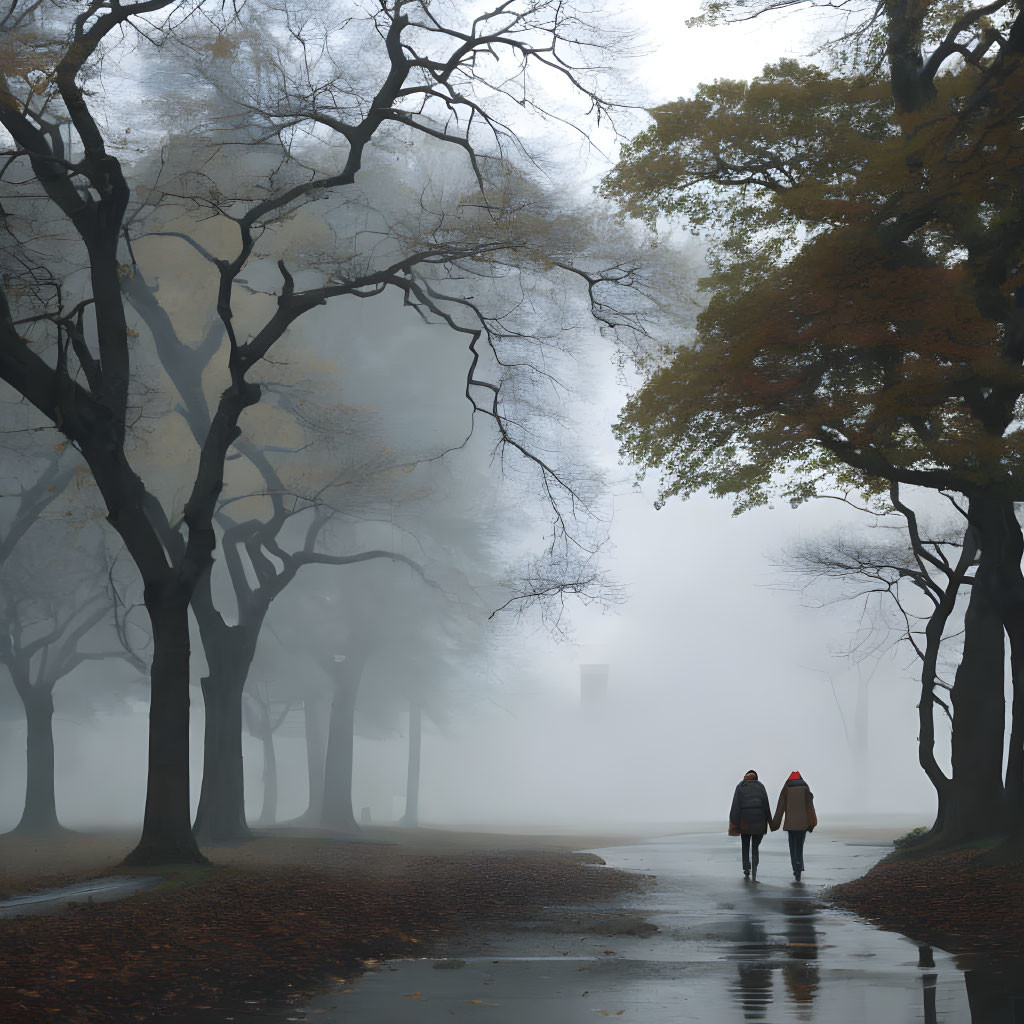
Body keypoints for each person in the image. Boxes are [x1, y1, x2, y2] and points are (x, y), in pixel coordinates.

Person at [772, 771, 818, 881]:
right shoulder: (805, 787)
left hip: (791, 824)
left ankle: (796, 869)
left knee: (792, 847)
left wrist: (775, 824)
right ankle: (799, 866)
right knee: (800, 847)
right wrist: (812, 822)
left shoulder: (786, 787)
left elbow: (780, 806)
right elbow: (810, 806)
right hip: (803, 823)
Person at [729, 769, 772, 880]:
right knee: (755, 846)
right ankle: (754, 867)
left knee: (745, 845)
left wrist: (734, 821)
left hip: (745, 821)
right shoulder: (761, 787)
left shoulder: (741, 786)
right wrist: (770, 822)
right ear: (755, 778)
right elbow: (766, 804)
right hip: (759, 820)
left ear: (746, 777)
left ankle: (746, 868)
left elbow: (735, 805)